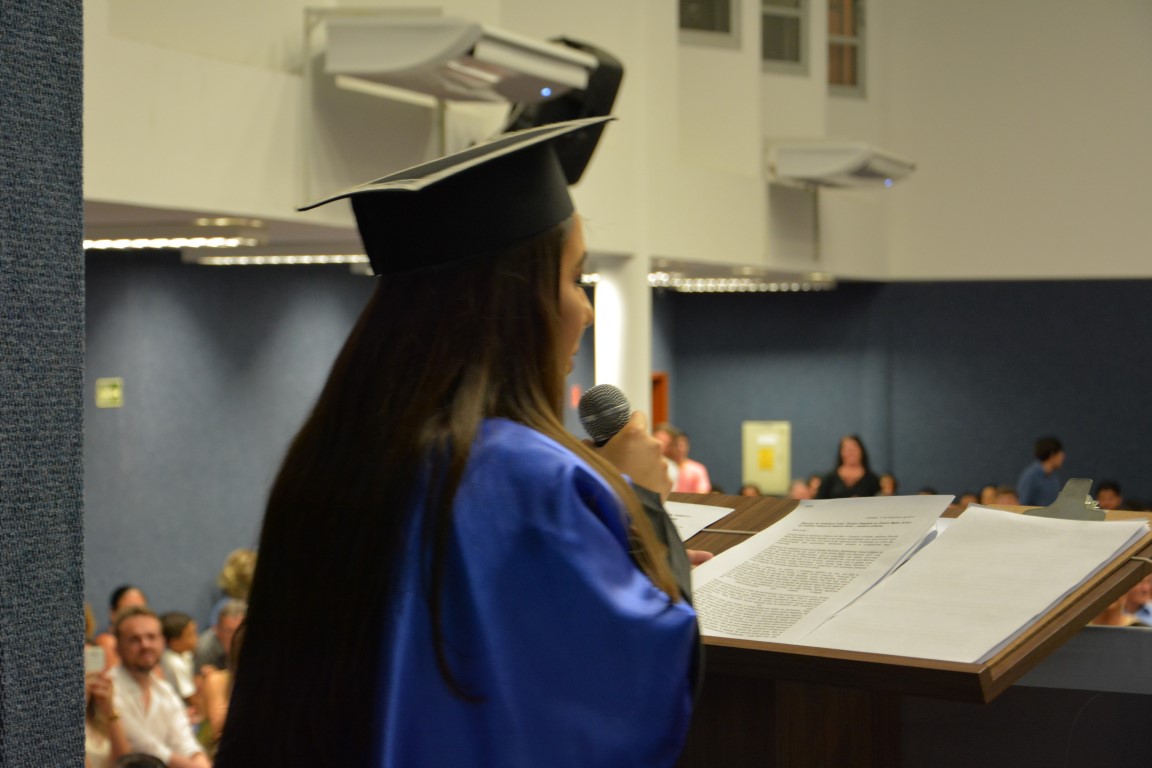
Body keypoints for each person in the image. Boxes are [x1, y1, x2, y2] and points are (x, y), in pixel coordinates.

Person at [215, 118, 699, 767]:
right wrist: (641, 505)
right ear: (512, 301)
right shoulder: (522, 479)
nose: (584, 309)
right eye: (572, 278)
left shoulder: (334, 456)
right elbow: (619, 694)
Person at [110, 607, 211, 768]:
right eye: (134, 639)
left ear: (162, 642)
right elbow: (142, 745)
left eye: (151, 637)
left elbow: (185, 741)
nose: (145, 645)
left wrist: (200, 760)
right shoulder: (108, 688)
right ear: (118, 646)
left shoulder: (165, 691)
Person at [93, 585, 148, 670]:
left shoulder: (148, 644)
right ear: (113, 614)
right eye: (129, 610)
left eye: (141, 611)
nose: (136, 617)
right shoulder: (108, 642)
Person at [815, 435, 881, 499]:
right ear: (841, 453)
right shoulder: (830, 479)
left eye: (854, 449)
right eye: (847, 449)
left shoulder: (872, 480)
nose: (851, 453)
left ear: (861, 451)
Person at [192, 599, 245, 676]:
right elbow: (197, 679)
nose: (235, 636)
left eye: (239, 631)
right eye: (229, 631)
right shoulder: (204, 648)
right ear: (217, 629)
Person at [1016, 435, 1065, 507]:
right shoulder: (1030, 476)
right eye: (1060, 454)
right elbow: (1022, 504)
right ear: (1052, 455)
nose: (1063, 458)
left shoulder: (1053, 478)